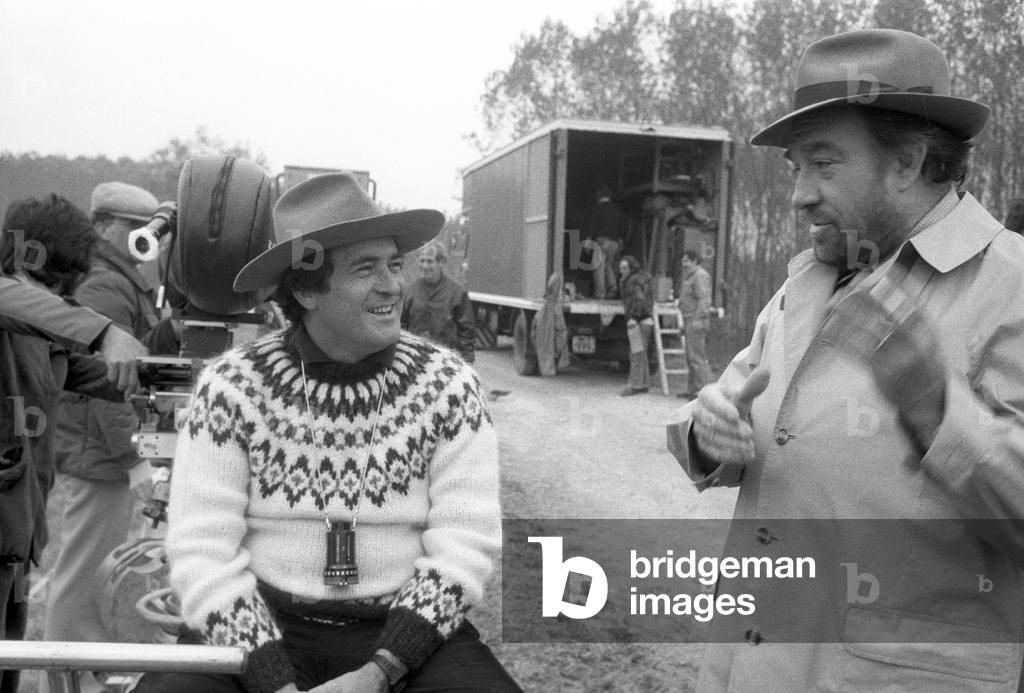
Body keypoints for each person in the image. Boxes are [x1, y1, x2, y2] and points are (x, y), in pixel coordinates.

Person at [666, 29, 1024, 691]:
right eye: (795, 166)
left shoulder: (1011, 286)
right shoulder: (805, 282)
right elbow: (729, 399)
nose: (799, 193)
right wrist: (705, 431)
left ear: (908, 161)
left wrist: (938, 411)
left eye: (823, 163)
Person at [134, 173, 520, 693]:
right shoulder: (232, 388)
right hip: (257, 628)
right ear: (308, 289)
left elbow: (464, 545)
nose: (393, 286)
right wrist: (272, 679)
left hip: (403, 633)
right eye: (366, 269)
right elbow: (202, 550)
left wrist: (382, 670)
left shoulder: (449, 386)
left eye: (394, 264)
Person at [0, 195, 136, 693]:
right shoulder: (12, 301)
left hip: (16, 541)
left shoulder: (42, 336)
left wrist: (160, 367)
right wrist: (103, 331)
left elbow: (97, 375)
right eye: (49, 284)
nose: (56, 297)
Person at [42, 182, 161, 692]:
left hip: (99, 450)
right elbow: (108, 383)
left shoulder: (118, 279)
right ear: (103, 226)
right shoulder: (105, 285)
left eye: (147, 229)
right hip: (97, 452)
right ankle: (61, 678)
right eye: (132, 228)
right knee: (82, 572)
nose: (142, 239)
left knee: (93, 567)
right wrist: (134, 457)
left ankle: (79, 673)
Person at [401, 239, 476, 362]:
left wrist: (467, 360)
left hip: (446, 359)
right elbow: (401, 326)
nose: (425, 266)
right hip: (415, 358)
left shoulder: (457, 293)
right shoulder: (410, 291)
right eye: (422, 261)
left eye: (430, 261)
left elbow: (467, 330)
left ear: (441, 263)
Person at [676, 249, 712, 398]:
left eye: (686, 261)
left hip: (695, 320)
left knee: (697, 357)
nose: (683, 264)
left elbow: (704, 300)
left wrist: (698, 319)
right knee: (691, 357)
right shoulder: (690, 276)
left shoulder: (700, 275)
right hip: (689, 319)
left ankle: (702, 391)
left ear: (695, 261)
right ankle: (692, 389)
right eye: (683, 261)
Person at [618, 254, 653, 396]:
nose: (622, 271)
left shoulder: (632, 281)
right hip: (645, 320)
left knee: (636, 353)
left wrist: (633, 317)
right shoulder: (639, 278)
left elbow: (639, 299)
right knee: (641, 353)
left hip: (638, 320)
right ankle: (644, 384)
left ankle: (635, 385)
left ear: (631, 268)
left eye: (625, 268)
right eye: (621, 268)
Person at [586, 185, 624, 299]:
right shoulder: (617, 210)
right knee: (609, 266)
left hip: (601, 241)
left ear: (598, 196)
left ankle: (600, 294)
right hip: (615, 243)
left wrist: (588, 241)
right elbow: (622, 228)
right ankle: (612, 287)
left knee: (598, 267)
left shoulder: (596, 209)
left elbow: (591, 226)